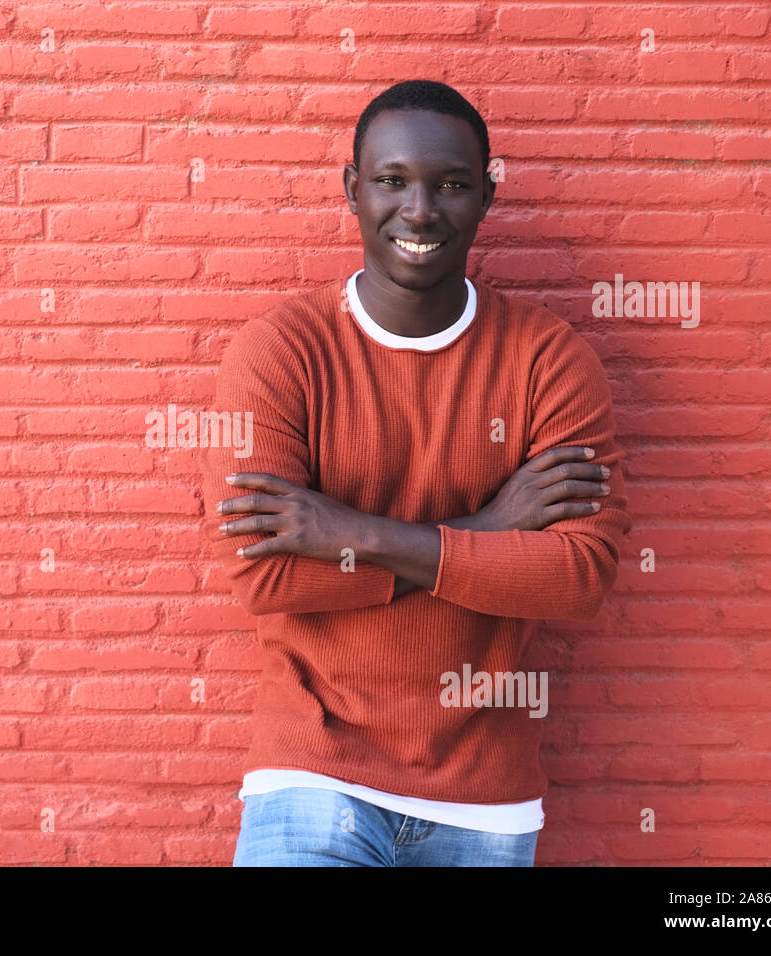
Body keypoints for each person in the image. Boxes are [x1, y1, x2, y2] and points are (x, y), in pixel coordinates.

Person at [199, 80, 633, 866]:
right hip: (313, 772)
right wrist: (489, 531)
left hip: (485, 796)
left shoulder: (549, 362)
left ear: (487, 197)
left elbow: (578, 576)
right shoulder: (283, 352)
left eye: (452, 184)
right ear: (352, 189)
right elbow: (262, 577)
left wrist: (351, 534)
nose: (421, 210)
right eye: (393, 181)